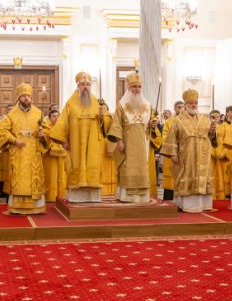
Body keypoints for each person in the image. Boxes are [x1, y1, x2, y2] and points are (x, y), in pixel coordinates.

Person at [47, 72, 111, 203]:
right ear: (78, 86)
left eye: (88, 84)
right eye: (83, 84)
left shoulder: (97, 102)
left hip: (93, 143)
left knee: (92, 165)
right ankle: (76, 197)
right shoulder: (70, 103)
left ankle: (92, 197)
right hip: (75, 143)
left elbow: (107, 124)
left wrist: (102, 116)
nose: (85, 87)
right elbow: (62, 122)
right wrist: (63, 141)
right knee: (76, 165)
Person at [160, 89, 217, 213]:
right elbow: (172, 138)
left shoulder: (204, 119)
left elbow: (210, 137)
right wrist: (173, 154)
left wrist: (212, 132)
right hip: (186, 156)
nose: (193, 105)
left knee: (203, 178)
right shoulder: (178, 120)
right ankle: (187, 205)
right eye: (190, 103)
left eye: (195, 103)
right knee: (185, 178)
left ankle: (203, 205)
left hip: (203, 156)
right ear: (186, 105)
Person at [0, 83, 47, 214]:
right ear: (19, 98)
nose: (26, 98)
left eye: (28, 96)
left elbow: (47, 132)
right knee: (18, 178)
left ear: (31, 98)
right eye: (23, 96)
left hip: (33, 151)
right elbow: (2, 131)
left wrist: (43, 135)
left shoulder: (39, 113)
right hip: (18, 152)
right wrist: (14, 140)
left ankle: (36, 207)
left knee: (34, 177)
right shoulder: (11, 115)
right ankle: (16, 207)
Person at [107, 72, 153, 203]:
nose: (137, 89)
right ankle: (126, 196)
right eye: (134, 87)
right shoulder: (121, 105)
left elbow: (148, 126)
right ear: (129, 88)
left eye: (139, 87)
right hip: (127, 143)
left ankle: (142, 196)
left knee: (142, 167)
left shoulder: (147, 105)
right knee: (127, 167)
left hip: (142, 143)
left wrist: (153, 125)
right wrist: (119, 141)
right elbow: (116, 125)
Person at [160, 101, 184, 200]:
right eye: (179, 107)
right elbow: (165, 137)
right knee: (171, 180)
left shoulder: (188, 121)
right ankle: (168, 201)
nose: (181, 110)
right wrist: (175, 147)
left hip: (184, 155)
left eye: (183, 107)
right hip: (172, 154)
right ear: (174, 109)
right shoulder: (169, 121)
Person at [42, 109, 68, 202]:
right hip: (50, 157)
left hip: (62, 157)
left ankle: (61, 196)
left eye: (58, 116)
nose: (56, 118)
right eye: (54, 116)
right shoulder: (46, 129)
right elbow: (43, 144)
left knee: (62, 176)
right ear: (49, 118)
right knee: (51, 176)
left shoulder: (63, 128)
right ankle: (50, 197)